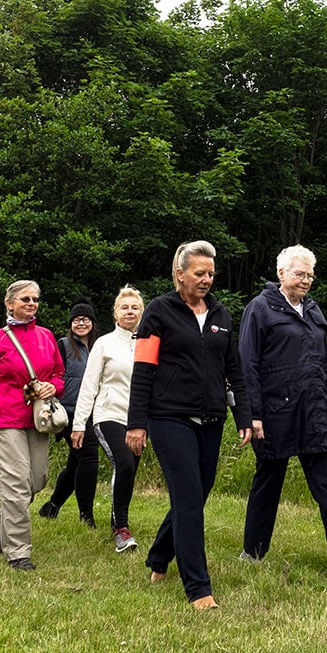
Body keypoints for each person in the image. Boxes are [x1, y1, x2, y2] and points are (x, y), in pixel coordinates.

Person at [126, 241, 253, 610]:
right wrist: (137, 423)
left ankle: (158, 557)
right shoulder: (158, 312)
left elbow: (235, 371)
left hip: (211, 419)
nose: (206, 280)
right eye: (199, 273)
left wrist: (243, 415)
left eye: (211, 273)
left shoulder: (222, 315)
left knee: (196, 494)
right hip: (168, 418)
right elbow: (143, 370)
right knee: (188, 499)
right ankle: (198, 588)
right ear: (180, 273)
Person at [239, 245, 327, 579]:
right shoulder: (260, 309)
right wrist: (252, 415)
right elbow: (247, 364)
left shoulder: (313, 311)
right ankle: (253, 552)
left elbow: (324, 365)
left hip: (316, 413)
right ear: (281, 273)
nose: (306, 281)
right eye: (300, 274)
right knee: (268, 481)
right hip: (275, 414)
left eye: (310, 275)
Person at [0, 280, 64, 572]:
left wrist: (50, 386)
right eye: (25, 299)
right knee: (15, 485)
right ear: (9, 304)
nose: (31, 304)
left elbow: (59, 375)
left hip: (38, 419)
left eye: (35, 299)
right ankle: (18, 551)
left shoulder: (46, 337)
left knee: (37, 480)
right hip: (4, 419)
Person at [71, 285, 145, 553]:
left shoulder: (148, 344)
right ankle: (121, 530)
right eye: (124, 307)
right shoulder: (104, 344)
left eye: (134, 307)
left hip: (137, 420)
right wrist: (79, 424)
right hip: (107, 415)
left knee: (130, 471)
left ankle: (117, 519)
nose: (129, 311)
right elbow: (89, 385)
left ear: (141, 312)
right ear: (115, 313)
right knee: (123, 464)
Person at [38, 298, 100, 526]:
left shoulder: (100, 346)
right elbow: (51, 374)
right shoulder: (63, 345)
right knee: (88, 460)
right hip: (69, 412)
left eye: (85, 319)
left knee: (76, 463)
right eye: (76, 319)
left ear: (93, 322)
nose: (81, 323)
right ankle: (86, 515)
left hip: (96, 412)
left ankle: (51, 507)